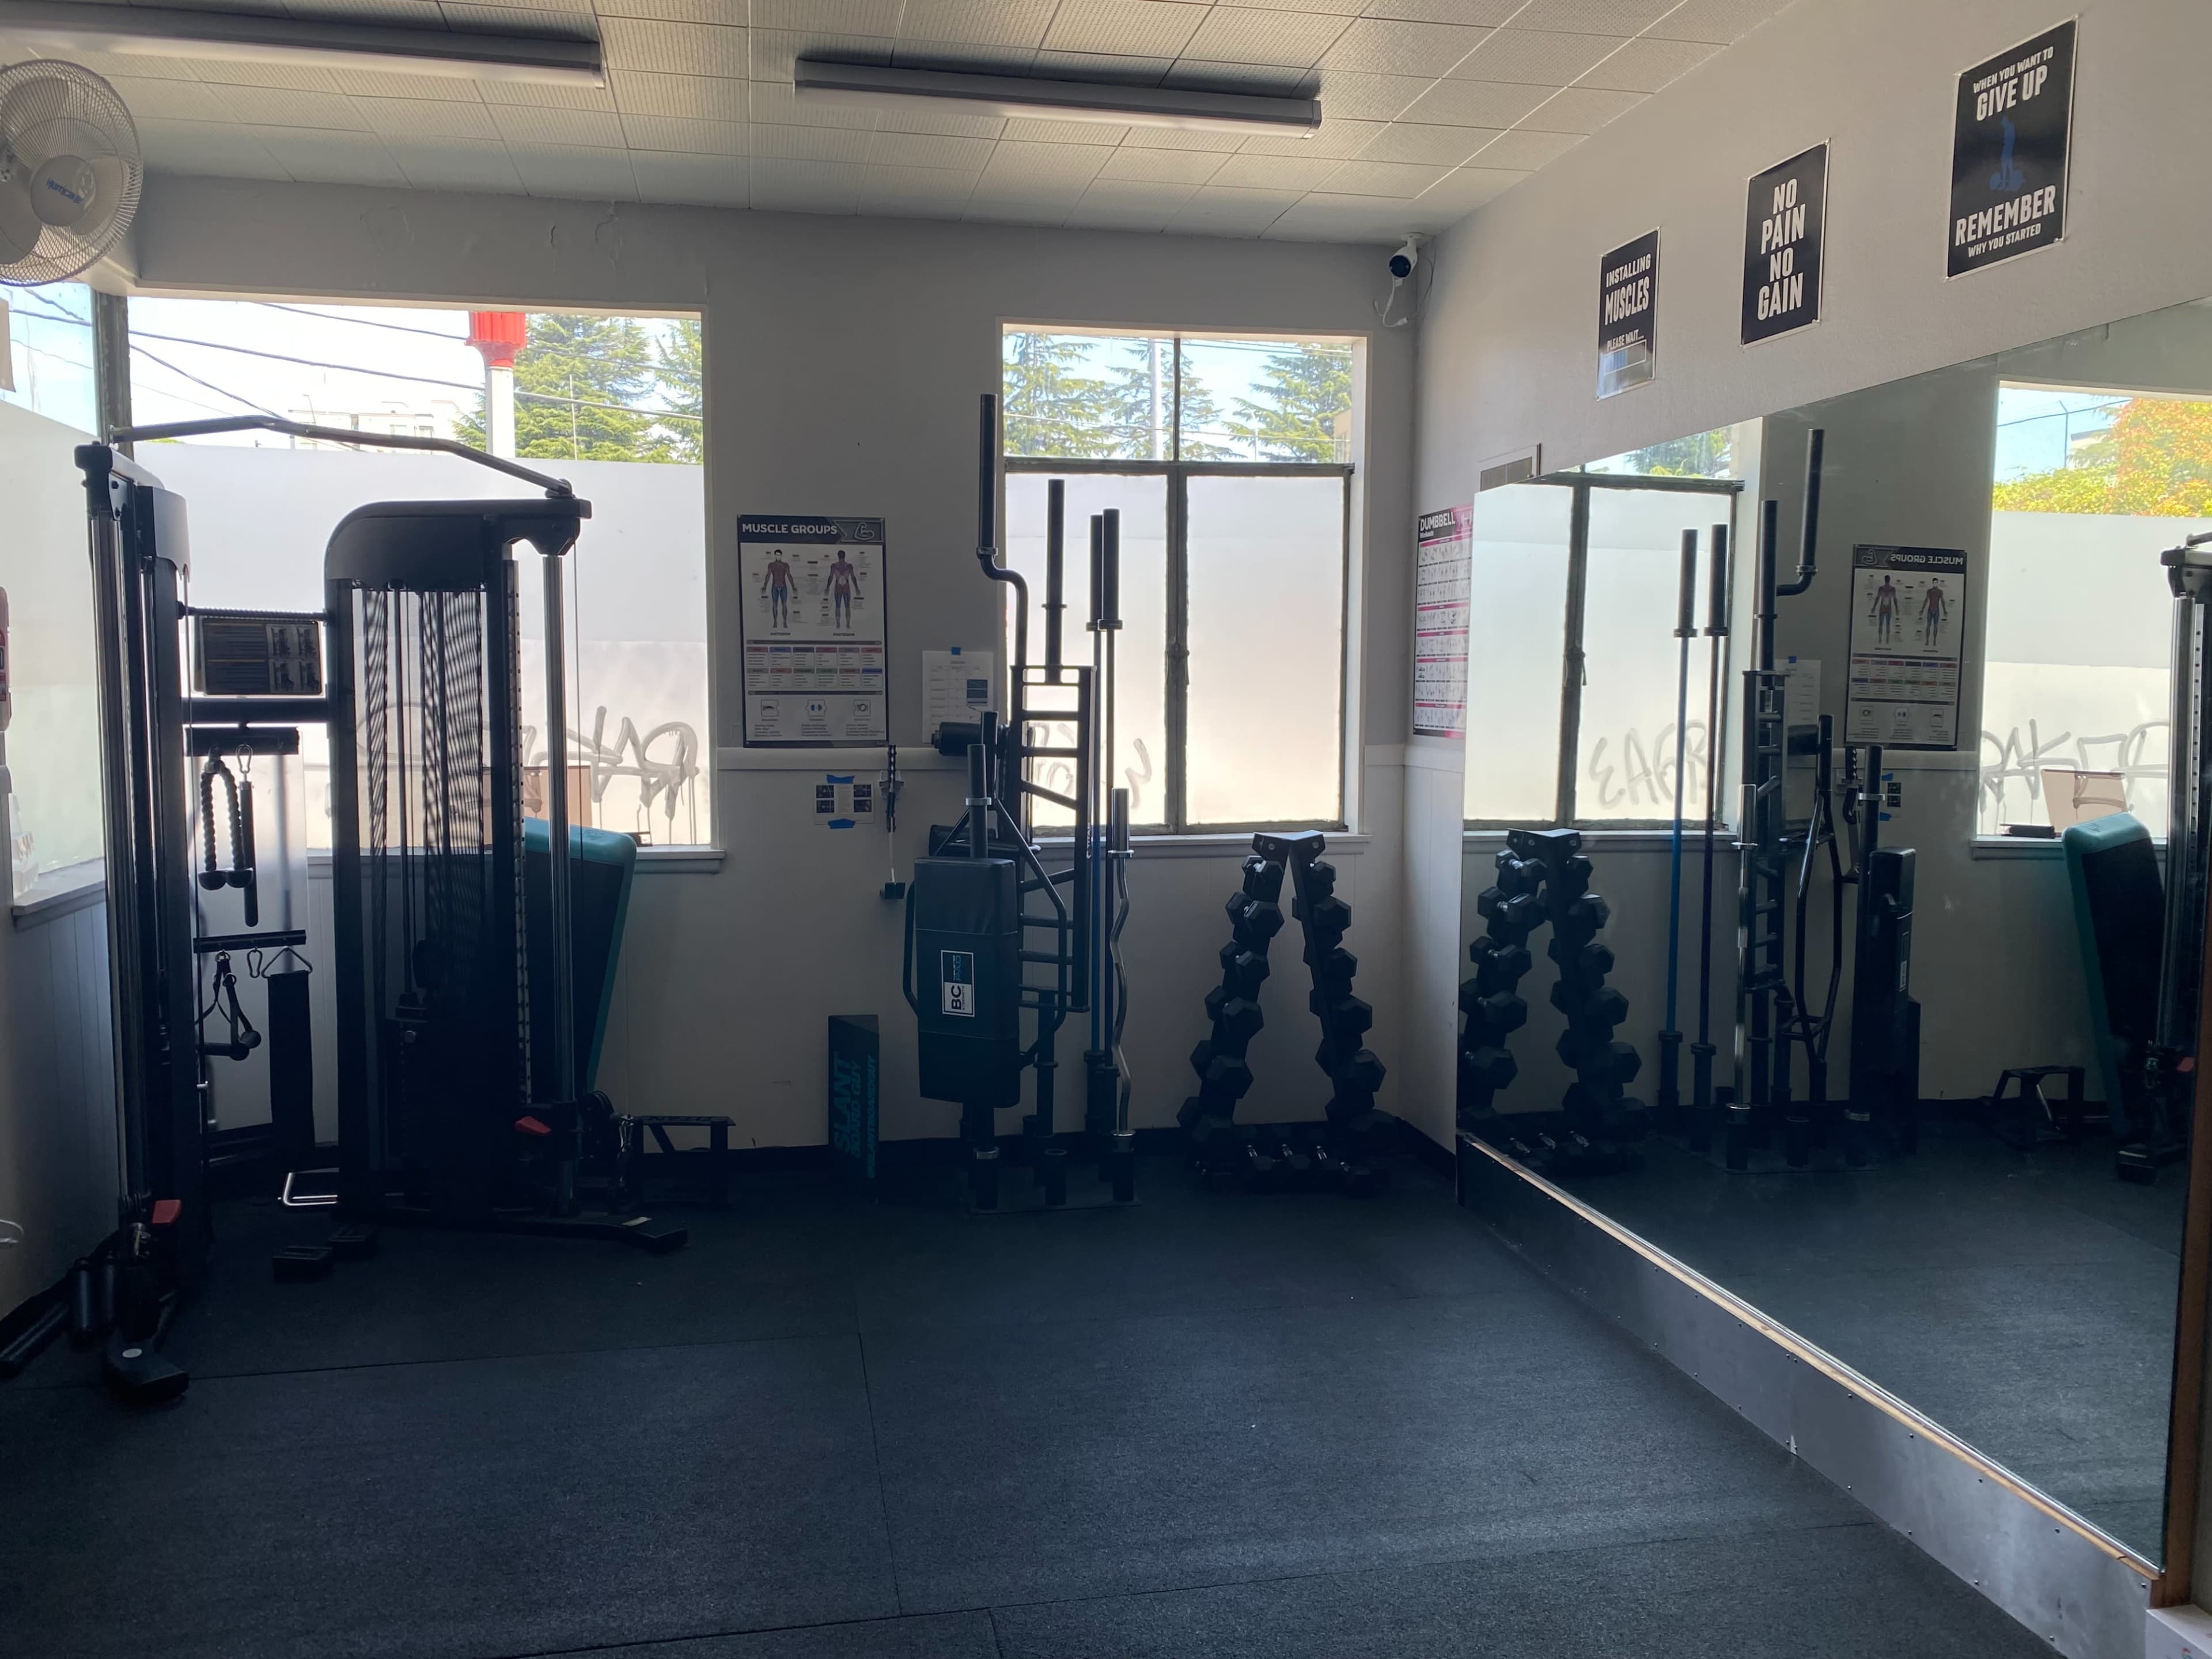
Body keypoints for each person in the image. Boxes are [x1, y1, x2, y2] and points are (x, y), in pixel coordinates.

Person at [828, 548, 861, 631]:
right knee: (847, 606)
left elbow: (831, 577)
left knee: (838, 606)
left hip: (838, 586)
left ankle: (838, 624)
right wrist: (856, 588)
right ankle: (848, 624)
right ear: (845, 556)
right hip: (846, 585)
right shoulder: (849, 566)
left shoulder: (834, 566)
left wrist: (827, 587)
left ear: (838, 556)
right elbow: (853, 577)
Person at [761, 550, 793, 631]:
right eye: (777, 555)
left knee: (784, 605)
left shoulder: (785, 565)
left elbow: (789, 575)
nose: (778, 556)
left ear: (781, 556)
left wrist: (793, 587)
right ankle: (775, 622)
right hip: (775, 586)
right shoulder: (771, 565)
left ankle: (785, 622)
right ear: (775, 555)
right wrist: (765, 586)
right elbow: (768, 575)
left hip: (783, 586)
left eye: (780, 555)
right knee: (775, 605)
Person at [1869, 571, 1899, 646]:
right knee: (1887, 625)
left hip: (1883, 608)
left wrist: (1874, 607)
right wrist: (1897, 609)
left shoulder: (1882, 589)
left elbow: (1878, 598)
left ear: (1885, 580)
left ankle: (1881, 639)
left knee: (1881, 624)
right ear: (1889, 580)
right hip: (1888, 608)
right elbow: (1895, 599)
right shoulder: (1892, 589)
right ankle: (1887, 640)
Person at [1921, 577, 1949, 648]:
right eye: (1934, 582)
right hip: (1930, 609)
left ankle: (1934, 641)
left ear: (1937, 583)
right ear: (1933, 583)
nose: (1935, 584)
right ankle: (1927, 640)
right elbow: (1926, 600)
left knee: (1936, 626)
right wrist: (1922, 609)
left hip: (1937, 610)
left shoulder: (1940, 592)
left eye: (1936, 582)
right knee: (1928, 625)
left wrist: (1945, 610)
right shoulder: (1930, 591)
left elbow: (1942, 601)